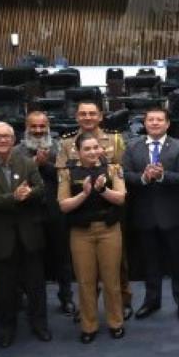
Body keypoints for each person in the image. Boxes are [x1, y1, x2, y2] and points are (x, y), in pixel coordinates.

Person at [0, 122, 50, 347]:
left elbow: (42, 189)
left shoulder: (27, 163)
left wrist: (29, 193)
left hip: (29, 236)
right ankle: (7, 328)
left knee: (36, 287)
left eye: (7, 137)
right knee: (4, 289)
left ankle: (39, 324)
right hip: (0, 239)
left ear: (14, 139)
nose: (3, 140)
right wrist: (13, 198)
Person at [56, 98, 132, 318]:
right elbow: (63, 175)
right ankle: (88, 308)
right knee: (85, 270)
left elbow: (120, 170)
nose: (87, 118)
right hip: (80, 212)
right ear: (77, 116)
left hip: (110, 207)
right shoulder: (67, 142)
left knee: (118, 263)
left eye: (92, 114)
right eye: (83, 114)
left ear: (100, 116)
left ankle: (122, 302)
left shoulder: (115, 139)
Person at [122, 107, 179, 320]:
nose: (154, 123)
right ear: (144, 123)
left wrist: (162, 176)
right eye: (150, 119)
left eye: (159, 120)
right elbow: (125, 175)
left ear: (167, 124)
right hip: (144, 215)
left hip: (173, 215)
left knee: (178, 263)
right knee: (150, 263)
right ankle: (151, 301)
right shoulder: (132, 146)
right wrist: (143, 178)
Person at [58, 134, 127, 343]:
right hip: (81, 233)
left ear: (101, 149)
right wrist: (84, 194)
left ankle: (116, 322)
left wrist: (102, 190)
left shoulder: (114, 169)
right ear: (78, 151)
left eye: (95, 147)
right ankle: (89, 325)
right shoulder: (67, 172)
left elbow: (121, 198)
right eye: (87, 149)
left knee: (111, 280)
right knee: (85, 281)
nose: (92, 152)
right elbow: (63, 205)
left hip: (109, 230)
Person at [23, 110, 74, 316]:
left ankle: (66, 298)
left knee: (62, 258)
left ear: (48, 127)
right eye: (33, 127)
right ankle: (36, 302)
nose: (38, 130)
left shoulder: (60, 148)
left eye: (42, 126)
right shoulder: (17, 151)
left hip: (56, 211)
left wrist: (46, 165)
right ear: (27, 128)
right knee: (32, 260)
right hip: (28, 213)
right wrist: (34, 165)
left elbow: (67, 175)